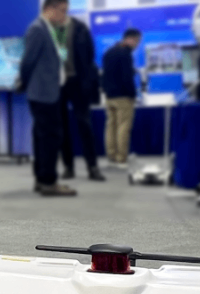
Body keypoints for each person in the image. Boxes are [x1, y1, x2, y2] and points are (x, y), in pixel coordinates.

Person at [19, 0, 77, 196]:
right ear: (49, 9)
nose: (65, 15)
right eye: (62, 11)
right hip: (42, 93)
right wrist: (24, 83)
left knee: (43, 137)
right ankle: (48, 182)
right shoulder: (37, 29)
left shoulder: (51, 29)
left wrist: (61, 31)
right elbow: (27, 61)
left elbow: (61, 57)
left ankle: (41, 179)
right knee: (51, 138)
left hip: (51, 91)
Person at [59, 12, 104, 181]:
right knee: (62, 127)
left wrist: (86, 79)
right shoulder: (51, 29)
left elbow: (89, 55)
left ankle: (93, 167)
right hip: (58, 83)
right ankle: (68, 167)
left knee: (85, 125)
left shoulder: (80, 28)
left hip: (78, 82)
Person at [101, 28, 142, 165]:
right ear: (130, 39)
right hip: (123, 96)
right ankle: (121, 157)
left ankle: (111, 154)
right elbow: (126, 78)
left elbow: (105, 75)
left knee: (110, 126)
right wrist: (133, 94)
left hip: (109, 96)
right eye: (137, 41)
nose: (137, 45)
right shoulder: (125, 54)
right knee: (123, 126)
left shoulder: (109, 52)